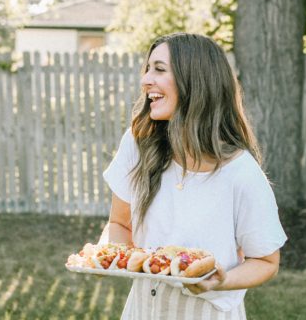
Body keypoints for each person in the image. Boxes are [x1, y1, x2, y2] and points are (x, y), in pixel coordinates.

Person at [100, 32, 287, 319]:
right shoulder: (138, 144)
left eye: (159, 69)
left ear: (195, 82)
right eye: (147, 69)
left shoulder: (241, 173)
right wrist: (113, 257)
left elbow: (265, 261)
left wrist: (223, 280)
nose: (146, 79)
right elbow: (119, 224)